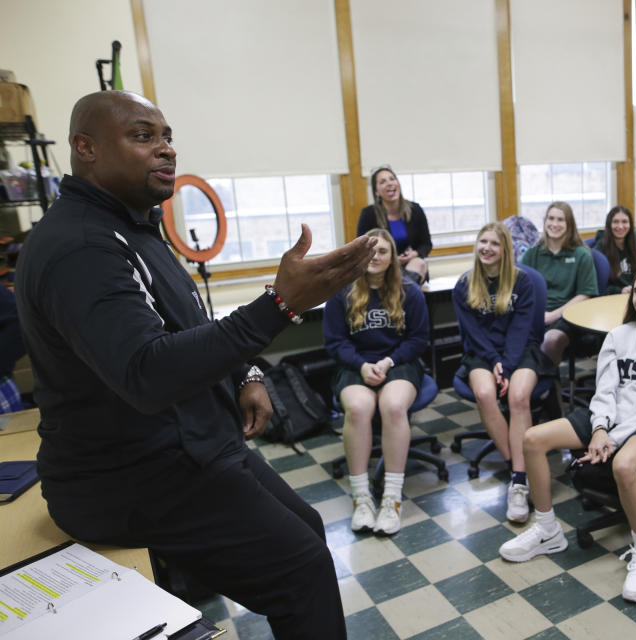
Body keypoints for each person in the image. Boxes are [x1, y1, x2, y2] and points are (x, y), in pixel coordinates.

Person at [14, 90, 377, 640]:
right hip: (131, 477)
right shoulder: (80, 247)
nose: (165, 150)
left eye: (168, 137)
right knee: (301, 571)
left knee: (306, 529)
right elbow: (146, 372)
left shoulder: (134, 226)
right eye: (143, 136)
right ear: (85, 148)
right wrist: (280, 305)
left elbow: (182, 323)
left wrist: (245, 374)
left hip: (193, 444)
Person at [498, 264, 636, 603]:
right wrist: (599, 428)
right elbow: (605, 390)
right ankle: (548, 530)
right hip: (611, 419)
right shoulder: (618, 335)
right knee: (533, 439)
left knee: (624, 465)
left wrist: (612, 437)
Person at [322, 229, 429, 536]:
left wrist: (386, 362)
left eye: (383, 251)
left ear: (392, 257)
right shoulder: (341, 292)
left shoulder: (411, 291)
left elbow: (418, 340)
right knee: (358, 407)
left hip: (398, 362)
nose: (376, 257)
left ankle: (391, 500)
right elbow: (334, 342)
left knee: (393, 406)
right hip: (355, 364)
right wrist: (362, 365)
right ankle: (362, 499)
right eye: (370, 250)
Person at [453, 223, 555, 522]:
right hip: (482, 352)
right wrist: (493, 360)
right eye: (482, 241)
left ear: (505, 249)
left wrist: (507, 366)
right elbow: (471, 332)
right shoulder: (464, 285)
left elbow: (522, 329)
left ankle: (520, 481)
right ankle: (518, 470)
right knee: (485, 393)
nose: (486, 248)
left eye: (494, 244)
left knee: (519, 396)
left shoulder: (523, 282)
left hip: (520, 349)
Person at [520, 202, 599, 364]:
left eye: (561, 220)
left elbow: (585, 295)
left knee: (551, 340)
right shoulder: (532, 254)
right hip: (536, 315)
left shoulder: (581, 255)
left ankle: (549, 385)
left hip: (568, 316)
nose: (554, 224)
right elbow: (521, 291)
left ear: (569, 225)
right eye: (551, 218)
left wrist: (551, 316)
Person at [356, 166, 432, 284]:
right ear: (376, 191)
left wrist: (414, 254)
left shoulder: (415, 209)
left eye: (392, 179)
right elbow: (361, 248)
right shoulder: (368, 214)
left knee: (419, 263)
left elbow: (426, 244)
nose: (389, 183)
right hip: (383, 264)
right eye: (383, 181)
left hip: (411, 264)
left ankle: (404, 292)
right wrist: (392, 259)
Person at [594, 205, 636, 294]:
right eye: (615, 222)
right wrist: (620, 291)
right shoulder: (599, 251)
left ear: (630, 225)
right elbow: (598, 287)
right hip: (611, 299)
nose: (620, 226)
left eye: (625, 222)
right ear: (609, 224)